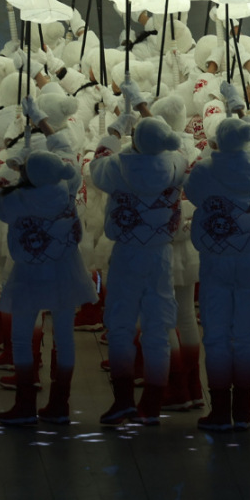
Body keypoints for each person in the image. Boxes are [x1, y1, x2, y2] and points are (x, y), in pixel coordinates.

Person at [89, 111, 187, 426]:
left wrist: (116, 130)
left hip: (127, 253)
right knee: (157, 330)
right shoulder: (177, 164)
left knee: (120, 327)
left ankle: (123, 401)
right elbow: (179, 147)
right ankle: (152, 405)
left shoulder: (118, 167)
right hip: (161, 254)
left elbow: (96, 163)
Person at [184, 103, 250, 432]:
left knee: (217, 334)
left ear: (216, 142)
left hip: (215, 258)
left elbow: (192, 194)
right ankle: (245, 411)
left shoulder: (204, 170)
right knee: (247, 335)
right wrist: (240, 108)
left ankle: (221, 410)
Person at [0, 147, 94, 425]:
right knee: (64, 337)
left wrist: (11, 169)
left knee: (22, 337)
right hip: (66, 270)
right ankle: (60, 403)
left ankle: (24, 404)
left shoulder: (16, 200)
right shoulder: (65, 192)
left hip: (29, 273)